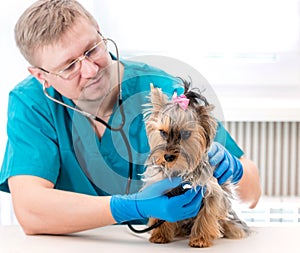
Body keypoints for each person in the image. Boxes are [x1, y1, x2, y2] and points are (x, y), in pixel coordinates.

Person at [0, 0, 261, 235]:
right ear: (41, 76)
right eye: (69, 66)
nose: (90, 70)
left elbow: (252, 195)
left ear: (100, 33)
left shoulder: (164, 92)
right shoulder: (30, 103)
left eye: (92, 50)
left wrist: (235, 171)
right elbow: (30, 211)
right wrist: (127, 208)